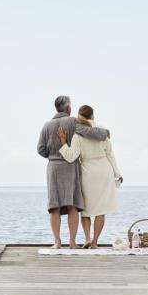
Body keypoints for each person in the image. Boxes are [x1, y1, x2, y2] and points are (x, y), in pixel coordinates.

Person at [37, 95, 110, 249]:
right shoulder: (73, 122)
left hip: (53, 168)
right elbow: (89, 132)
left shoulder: (46, 125)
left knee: (54, 206)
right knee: (73, 206)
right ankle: (71, 242)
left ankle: (57, 242)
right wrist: (104, 133)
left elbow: (40, 149)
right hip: (71, 167)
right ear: (68, 108)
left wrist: (52, 156)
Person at [57, 104, 122, 249]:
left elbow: (70, 157)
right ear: (92, 115)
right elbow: (111, 155)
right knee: (101, 209)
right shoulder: (102, 133)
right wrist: (117, 173)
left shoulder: (77, 135)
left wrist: (63, 142)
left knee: (86, 209)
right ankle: (94, 243)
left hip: (87, 172)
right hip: (104, 171)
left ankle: (87, 238)